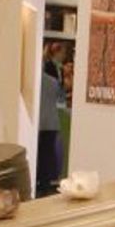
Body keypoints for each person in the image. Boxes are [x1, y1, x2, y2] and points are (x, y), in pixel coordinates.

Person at [37, 68, 64, 196]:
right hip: (52, 123)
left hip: (39, 122)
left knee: (36, 154)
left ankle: (36, 183)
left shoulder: (34, 81)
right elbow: (59, 98)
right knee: (47, 156)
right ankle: (45, 185)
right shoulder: (53, 82)